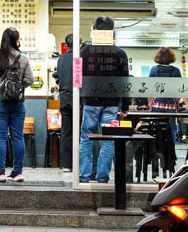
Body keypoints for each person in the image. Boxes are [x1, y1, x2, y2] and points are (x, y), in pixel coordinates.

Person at [79, 16, 130, 183]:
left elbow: (78, 79)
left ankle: (84, 177)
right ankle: (102, 178)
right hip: (111, 104)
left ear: (95, 30)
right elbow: (125, 82)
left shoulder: (85, 51)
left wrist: (80, 101)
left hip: (91, 103)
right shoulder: (120, 53)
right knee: (108, 141)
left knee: (86, 139)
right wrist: (125, 105)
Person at [0, 27, 34, 183]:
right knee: (17, 138)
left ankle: (0, 173)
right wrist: (18, 88)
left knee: (0, 138)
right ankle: (17, 172)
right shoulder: (23, 58)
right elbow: (30, 80)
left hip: (0, 101)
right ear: (16, 40)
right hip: (18, 103)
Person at [147, 47, 187, 142]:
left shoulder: (154, 70)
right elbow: (182, 88)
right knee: (171, 128)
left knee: (157, 127)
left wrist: (149, 103)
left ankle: (157, 151)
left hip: (157, 103)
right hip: (171, 104)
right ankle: (170, 153)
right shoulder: (176, 71)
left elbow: (149, 89)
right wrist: (187, 105)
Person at [52, 34, 75, 172]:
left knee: (66, 132)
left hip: (64, 98)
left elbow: (58, 78)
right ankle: (78, 163)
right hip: (77, 99)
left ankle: (67, 164)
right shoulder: (80, 58)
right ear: (79, 44)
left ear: (66, 45)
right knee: (79, 132)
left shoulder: (61, 59)